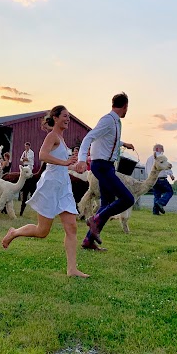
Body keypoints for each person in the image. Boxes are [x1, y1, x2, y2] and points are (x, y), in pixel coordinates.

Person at [2, 105, 89, 278]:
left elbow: (61, 163)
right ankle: (14, 232)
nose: (68, 119)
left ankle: (72, 269)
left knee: (71, 227)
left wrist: (73, 166)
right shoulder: (52, 136)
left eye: (69, 117)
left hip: (63, 186)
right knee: (42, 231)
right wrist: (65, 163)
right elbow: (42, 155)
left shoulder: (62, 140)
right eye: (65, 116)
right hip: (50, 185)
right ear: (55, 118)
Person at [75, 92, 135, 251]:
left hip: (106, 165)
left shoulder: (115, 122)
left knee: (107, 203)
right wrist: (81, 159)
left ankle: (88, 241)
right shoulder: (108, 119)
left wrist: (124, 144)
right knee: (127, 199)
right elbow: (89, 137)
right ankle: (96, 219)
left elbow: (108, 138)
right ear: (125, 106)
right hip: (101, 165)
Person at [145, 144, 175, 215]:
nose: (163, 150)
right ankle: (161, 202)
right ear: (158, 149)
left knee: (157, 195)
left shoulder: (149, 159)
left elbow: (146, 170)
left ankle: (155, 212)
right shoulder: (161, 157)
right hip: (161, 178)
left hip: (153, 180)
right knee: (169, 191)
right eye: (162, 149)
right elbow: (165, 166)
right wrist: (171, 174)